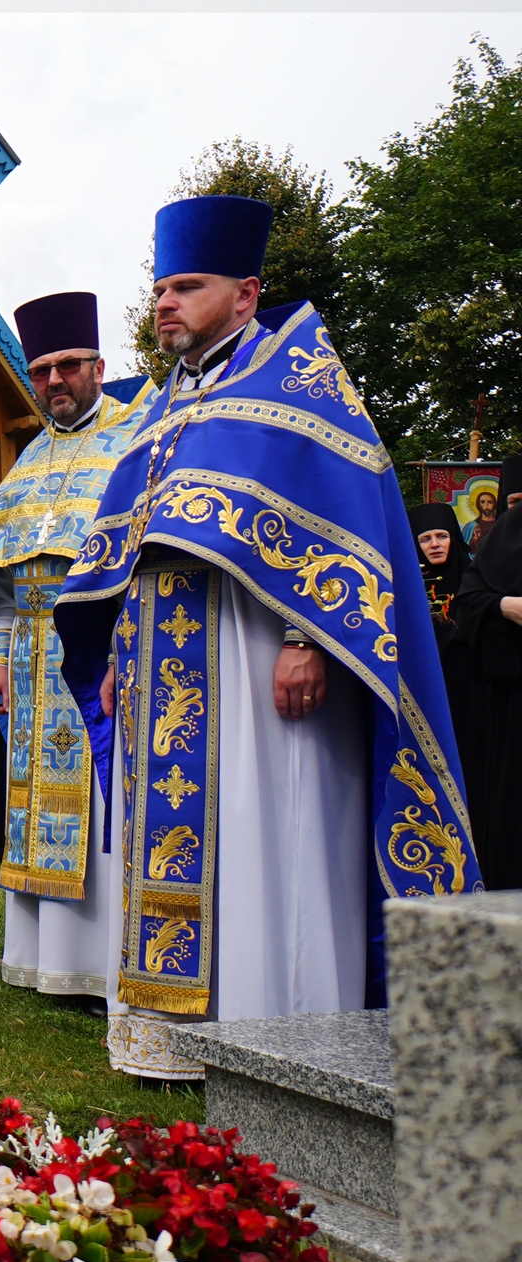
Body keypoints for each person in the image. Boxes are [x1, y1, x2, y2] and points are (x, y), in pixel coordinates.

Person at [56, 196, 481, 1080]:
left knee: (263, 834)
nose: (165, 302)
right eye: (161, 286)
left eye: (187, 286)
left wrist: (306, 634)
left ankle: (270, 1030)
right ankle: (167, 1037)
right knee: (178, 838)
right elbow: (130, 545)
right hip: (164, 673)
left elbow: (345, 525)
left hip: (258, 670)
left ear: (245, 293)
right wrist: (117, 662)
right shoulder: (165, 405)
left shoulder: (300, 383)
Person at [0, 292, 143, 1007]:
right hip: (30, 660)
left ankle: (98, 964)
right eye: (41, 370)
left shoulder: (133, 440)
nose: (55, 380)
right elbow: (3, 580)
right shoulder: (32, 455)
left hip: (94, 649)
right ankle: (42, 961)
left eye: (68, 365)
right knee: (32, 803)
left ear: (98, 365)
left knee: (97, 802)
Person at [447, 459, 522, 890]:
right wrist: (505, 606)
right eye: (513, 502)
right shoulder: (508, 536)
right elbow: (470, 599)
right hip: (516, 707)